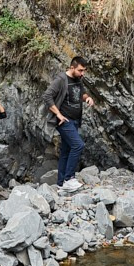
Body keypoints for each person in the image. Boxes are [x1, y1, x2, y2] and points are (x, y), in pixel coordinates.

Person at [44, 56, 95, 192]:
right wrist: (58, 114)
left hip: (75, 121)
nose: (82, 73)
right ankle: (69, 179)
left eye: (84, 70)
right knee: (78, 145)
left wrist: (88, 98)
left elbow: (81, 94)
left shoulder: (78, 79)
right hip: (64, 121)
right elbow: (47, 96)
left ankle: (61, 184)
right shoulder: (61, 80)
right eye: (80, 70)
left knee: (66, 151)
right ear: (72, 67)